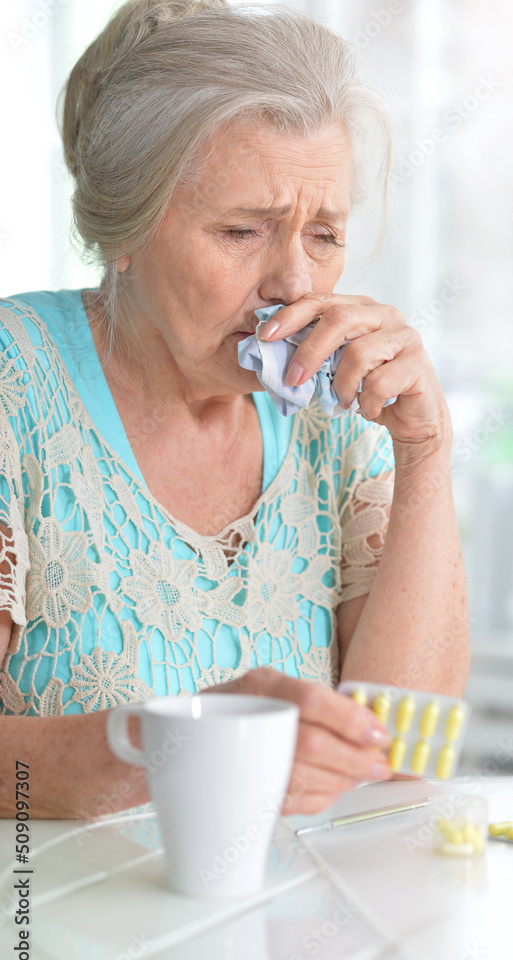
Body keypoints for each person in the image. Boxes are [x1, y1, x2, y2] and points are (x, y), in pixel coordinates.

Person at [0, 0, 469, 820]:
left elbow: (399, 758)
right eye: (243, 230)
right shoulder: (17, 380)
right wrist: (188, 746)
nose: (292, 284)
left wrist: (424, 448)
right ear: (127, 229)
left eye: (323, 235)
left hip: (279, 935)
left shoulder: (335, 411)